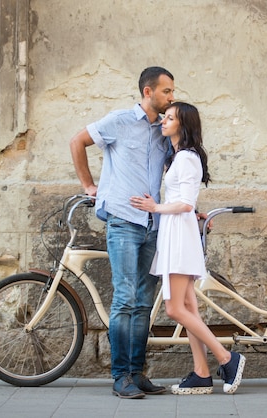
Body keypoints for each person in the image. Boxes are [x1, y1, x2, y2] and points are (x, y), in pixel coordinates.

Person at [69, 66, 175, 399]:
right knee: (126, 298)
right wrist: (89, 185)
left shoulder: (165, 130)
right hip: (123, 221)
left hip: (152, 226)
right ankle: (120, 376)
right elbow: (78, 141)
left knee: (143, 303)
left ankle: (137, 373)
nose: (172, 97)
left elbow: (174, 175)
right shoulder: (119, 121)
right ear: (148, 92)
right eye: (166, 91)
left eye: (172, 91)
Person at [130, 102, 246, 395]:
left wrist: (155, 206)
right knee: (189, 307)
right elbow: (185, 202)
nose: (164, 121)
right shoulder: (179, 157)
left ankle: (227, 358)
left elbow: (185, 203)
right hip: (176, 233)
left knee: (174, 309)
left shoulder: (187, 158)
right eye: (165, 117)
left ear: (183, 126)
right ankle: (201, 373)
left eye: (170, 118)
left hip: (179, 238)